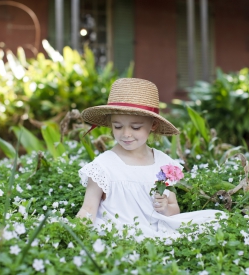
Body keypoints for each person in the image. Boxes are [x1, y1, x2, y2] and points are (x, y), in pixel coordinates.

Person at [76, 78, 226, 239]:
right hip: (120, 231)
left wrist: (165, 208)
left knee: (217, 219)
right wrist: (76, 236)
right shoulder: (103, 166)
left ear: (153, 125)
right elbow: (88, 210)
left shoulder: (164, 165)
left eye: (135, 127)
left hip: (157, 228)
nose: (126, 134)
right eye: (117, 126)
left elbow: (174, 209)